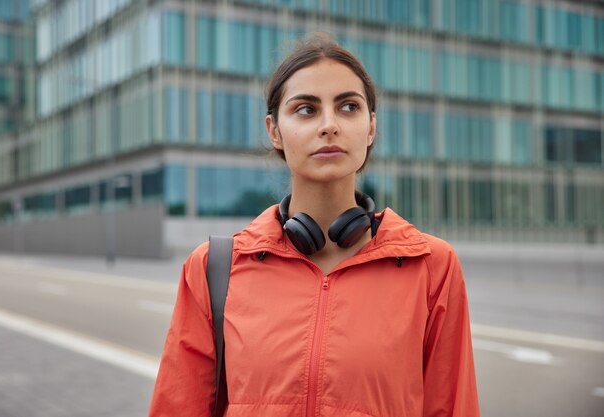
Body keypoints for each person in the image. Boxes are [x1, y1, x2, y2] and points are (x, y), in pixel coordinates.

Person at [149, 34, 479, 417]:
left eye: (348, 107)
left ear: (371, 128)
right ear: (274, 131)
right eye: (306, 109)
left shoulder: (432, 266)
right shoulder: (213, 268)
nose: (329, 125)